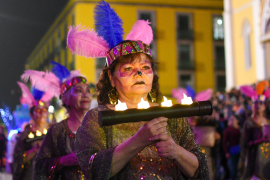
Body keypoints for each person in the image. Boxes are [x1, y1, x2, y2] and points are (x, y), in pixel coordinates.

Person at [69, 1, 209, 179]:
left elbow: (201, 171)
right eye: (128, 69)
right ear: (112, 79)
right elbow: (93, 170)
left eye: (145, 67)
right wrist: (139, 140)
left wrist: (176, 151)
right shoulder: (97, 119)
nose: (139, 73)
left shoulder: (173, 116)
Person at [32, 62, 92, 179]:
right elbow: (39, 166)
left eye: (88, 91)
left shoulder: (99, 127)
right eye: (79, 91)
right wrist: (64, 160)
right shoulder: (57, 130)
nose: (85, 94)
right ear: (65, 98)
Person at [12, 83, 53, 180]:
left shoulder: (54, 131)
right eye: (38, 110)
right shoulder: (26, 135)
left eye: (44, 110)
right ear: (31, 114)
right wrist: (35, 150)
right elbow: (18, 160)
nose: (42, 113)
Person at [223, 114, 241, 180]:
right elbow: (224, 142)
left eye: (233, 119)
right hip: (233, 151)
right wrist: (226, 152)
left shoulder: (240, 129)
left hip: (240, 150)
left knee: (240, 167)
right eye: (231, 119)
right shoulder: (228, 130)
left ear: (237, 121)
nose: (231, 120)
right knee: (233, 168)